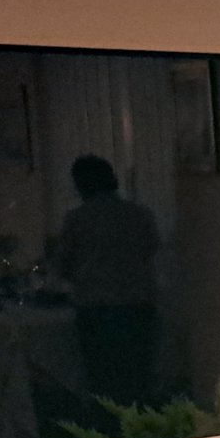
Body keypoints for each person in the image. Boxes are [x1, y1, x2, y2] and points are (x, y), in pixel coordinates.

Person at [56, 154, 161, 407]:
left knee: (102, 377)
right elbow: (151, 249)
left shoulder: (77, 219)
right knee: (137, 376)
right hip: (138, 304)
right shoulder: (139, 214)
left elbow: (63, 264)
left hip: (97, 307)